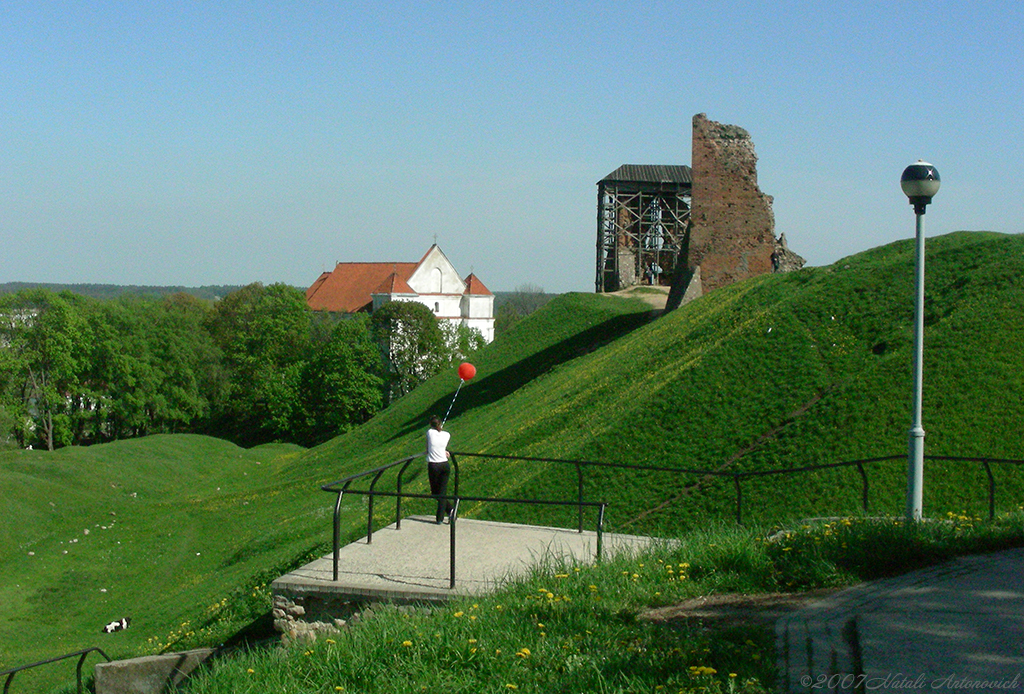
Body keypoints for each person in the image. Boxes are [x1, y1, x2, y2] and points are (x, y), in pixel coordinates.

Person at [425, 415, 453, 524]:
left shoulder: (429, 433)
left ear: (430, 425)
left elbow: (428, 448)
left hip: (434, 466)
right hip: (444, 465)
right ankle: (450, 511)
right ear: (440, 424)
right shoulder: (447, 435)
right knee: (441, 492)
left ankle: (440, 518)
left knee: (436, 493)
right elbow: (441, 446)